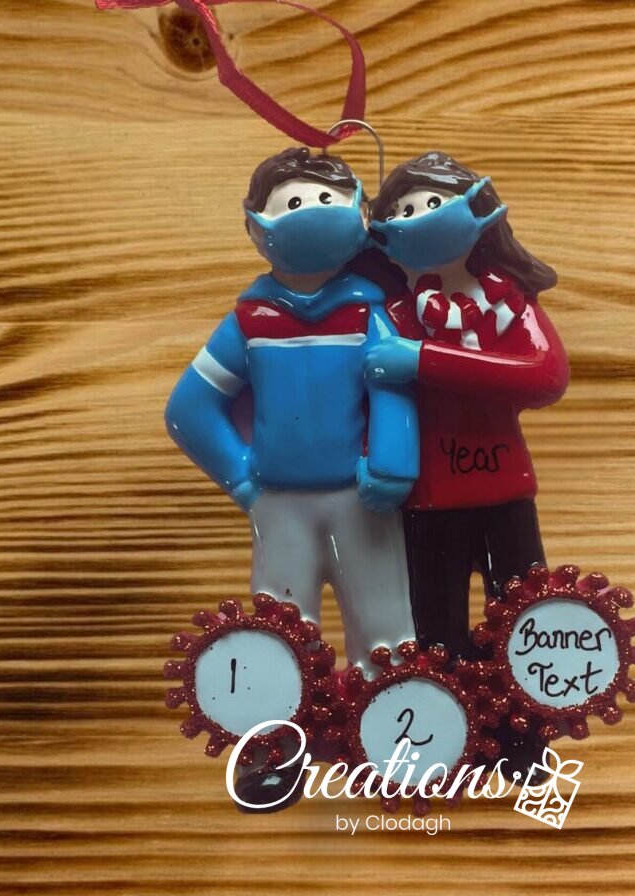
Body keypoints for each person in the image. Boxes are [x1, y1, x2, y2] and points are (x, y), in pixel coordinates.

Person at [165, 147, 419, 811]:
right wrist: (241, 480)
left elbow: (394, 388)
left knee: (385, 622)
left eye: (329, 199)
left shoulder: (370, 314)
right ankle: (277, 751)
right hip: (278, 505)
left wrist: (393, 464)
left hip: (363, 500)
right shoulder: (250, 323)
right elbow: (189, 407)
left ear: (360, 215)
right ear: (256, 226)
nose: (313, 213)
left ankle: (396, 744)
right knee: (279, 635)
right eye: (294, 202)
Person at [366, 151, 570, 772]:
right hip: (430, 498)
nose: (418, 218)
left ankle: (523, 738)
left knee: (524, 615)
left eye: (431, 203)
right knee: (438, 630)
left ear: (477, 214)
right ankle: (451, 741)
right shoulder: (395, 317)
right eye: (403, 210)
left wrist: (425, 361)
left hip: (506, 490)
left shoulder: (511, 305)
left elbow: (545, 375)